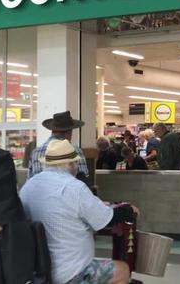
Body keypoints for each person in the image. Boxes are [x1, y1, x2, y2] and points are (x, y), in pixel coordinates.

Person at [20, 139, 139, 284]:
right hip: (71, 272)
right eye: (76, 163)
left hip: (39, 271)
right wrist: (128, 210)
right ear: (70, 164)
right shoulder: (75, 187)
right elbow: (105, 219)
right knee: (122, 270)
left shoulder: (28, 186)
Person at [28, 111, 89, 180]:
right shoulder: (74, 150)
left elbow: (30, 179)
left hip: (41, 190)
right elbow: (84, 178)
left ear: (52, 130)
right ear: (69, 132)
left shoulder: (35, 152)